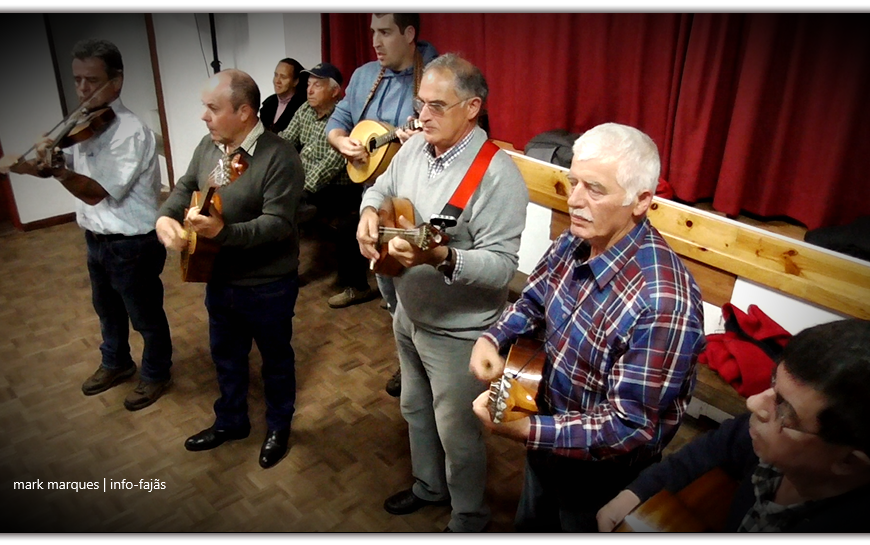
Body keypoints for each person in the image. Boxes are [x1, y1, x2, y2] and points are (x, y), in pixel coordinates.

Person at [469, 122, 706, 532]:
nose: (574, 200)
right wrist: (493, 337)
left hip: (601, 475)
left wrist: (526, 428)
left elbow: (628, 424)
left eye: (594, 189)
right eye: (573, 182)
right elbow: (533, 299)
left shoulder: (664, 303)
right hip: (545, 438)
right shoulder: (573, 241)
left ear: (642, 200)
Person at [356, 53, 529, 532]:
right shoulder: (415, 147)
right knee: (414, 407)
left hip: (459, 333)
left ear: (472, 107)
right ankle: (429, 488)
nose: (422, 115)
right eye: (419, 103)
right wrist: (369, 214)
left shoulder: (498, 176)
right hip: (408, 314)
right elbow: (379, 187)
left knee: (458, 433)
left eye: (437, 105)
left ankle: (469, 518)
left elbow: (501, 270)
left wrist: (444, 258)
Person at [0, 38, 173, 411]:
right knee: (106, 309)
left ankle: (156, 373)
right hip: (96, 239)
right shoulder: (84, 124)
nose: (81, 89)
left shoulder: (130, 131)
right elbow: (68, 174)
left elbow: (95, 192)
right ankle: (116, 363)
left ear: (117, 81)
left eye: (91, 80)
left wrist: (59, 170)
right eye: (77, 80)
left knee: (145, 317)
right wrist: (31, 165)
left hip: (132, 243)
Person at [155, 69, 304, 469]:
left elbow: (279, 225)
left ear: (243, 112)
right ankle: (231, 421)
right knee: (226, 355)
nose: (204, 117)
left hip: (268, 283)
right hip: (218, 277)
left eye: (212, 108)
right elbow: (187, 186)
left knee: (275, 359)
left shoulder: (279, 156)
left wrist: (224, 232)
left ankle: (278, 426)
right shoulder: (210, 145)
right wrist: (166, 217)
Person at [597, 318, 870, 532]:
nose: (753, 402)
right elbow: (713, 448)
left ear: (848, 463)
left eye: (785, 411)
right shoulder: (763, 443)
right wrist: (636, 493)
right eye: (773, 382)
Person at [326, 12, 438, 397]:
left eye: (385, 32)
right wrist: (341, 141)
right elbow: (338, 120)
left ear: (409, 33)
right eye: (373, 31)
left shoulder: (436, 76)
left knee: (421, 289)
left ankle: (429, 367)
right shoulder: (361, 77)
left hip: (419, 207)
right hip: (373, 201)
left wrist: (421, 143)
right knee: (389, 288)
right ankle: (406, 361)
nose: (375, 40)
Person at [279, 63, 372, 307]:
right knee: (277, 202)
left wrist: (300, 190)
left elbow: (331, 165)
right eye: (308, 85)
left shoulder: (344, 120)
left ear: (334, 91)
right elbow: (285, 141)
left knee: (294, 207)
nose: (309, 91)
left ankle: (355, 286)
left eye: (316, 85)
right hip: (305, 185)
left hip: (338, 188)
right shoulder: (304, 111)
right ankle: (282, 269)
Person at [260, 58, 307, 134]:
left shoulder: (303, 107)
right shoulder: (268, 104)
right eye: (276, 75)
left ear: (295, 81)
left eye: (283, 77)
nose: (277, 81)